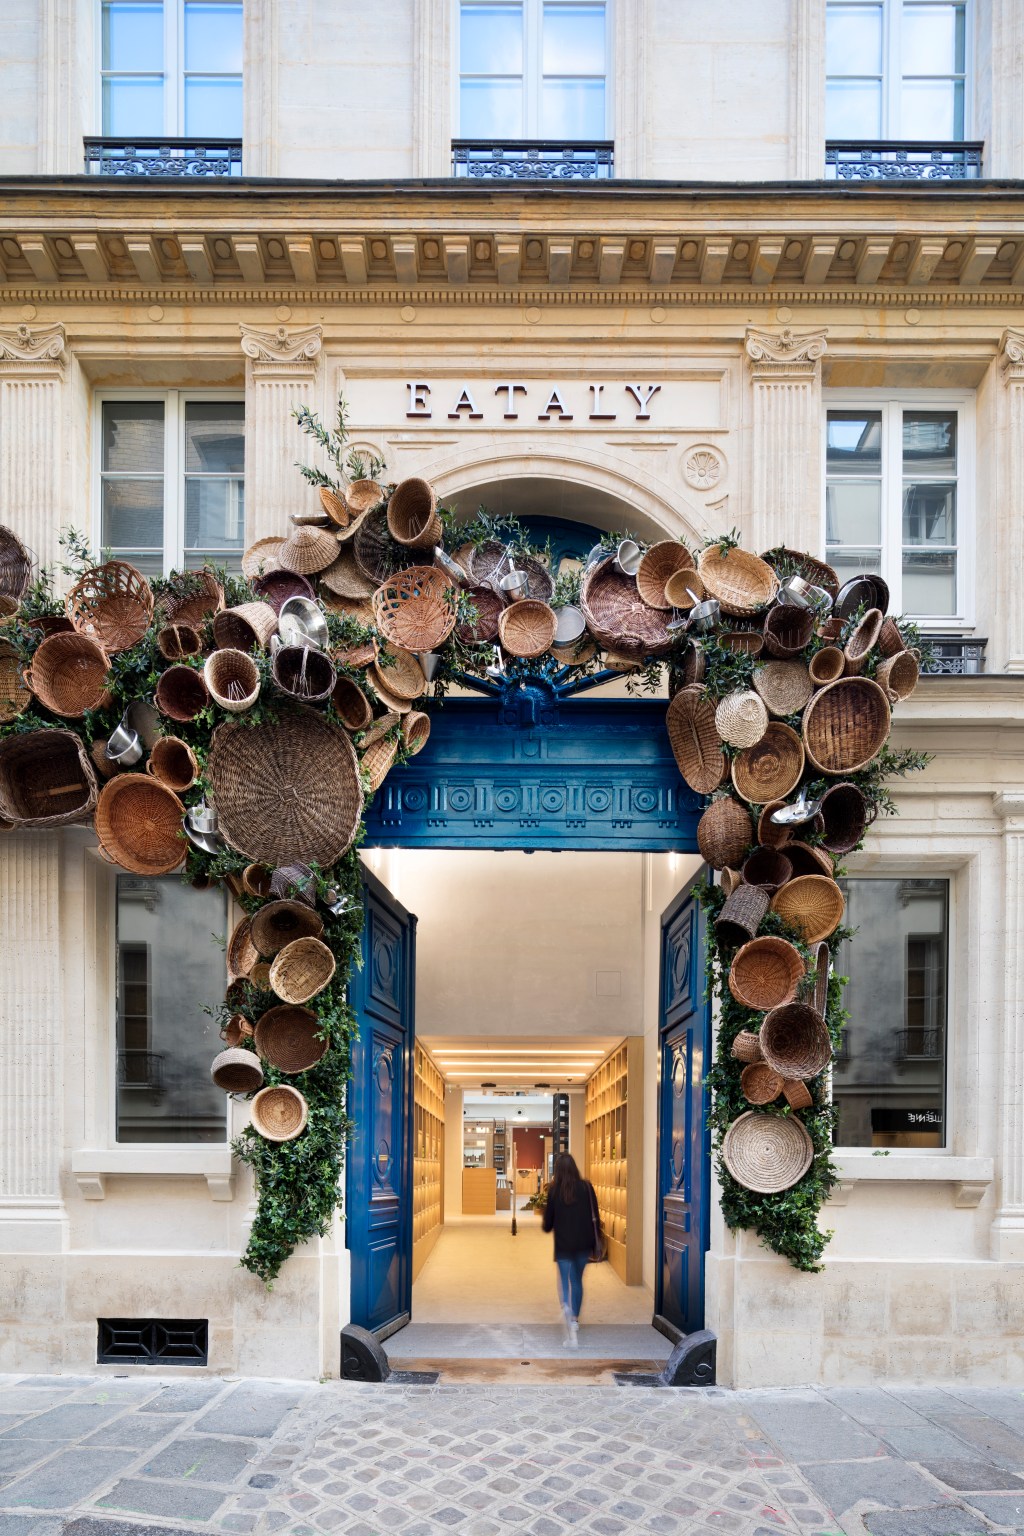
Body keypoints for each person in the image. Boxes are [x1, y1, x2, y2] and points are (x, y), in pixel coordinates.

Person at [541, 1152, 602, 1348]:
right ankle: (574, 1319)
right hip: (584, 1244)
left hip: (564, 1245)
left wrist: (548, 1224)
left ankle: (566, 1310)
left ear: (557, 1171)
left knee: (563, 1281)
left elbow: (548, 1223)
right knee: (577, 1280)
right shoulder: (587, 1187)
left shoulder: (554, 1191)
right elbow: (596, 1215)